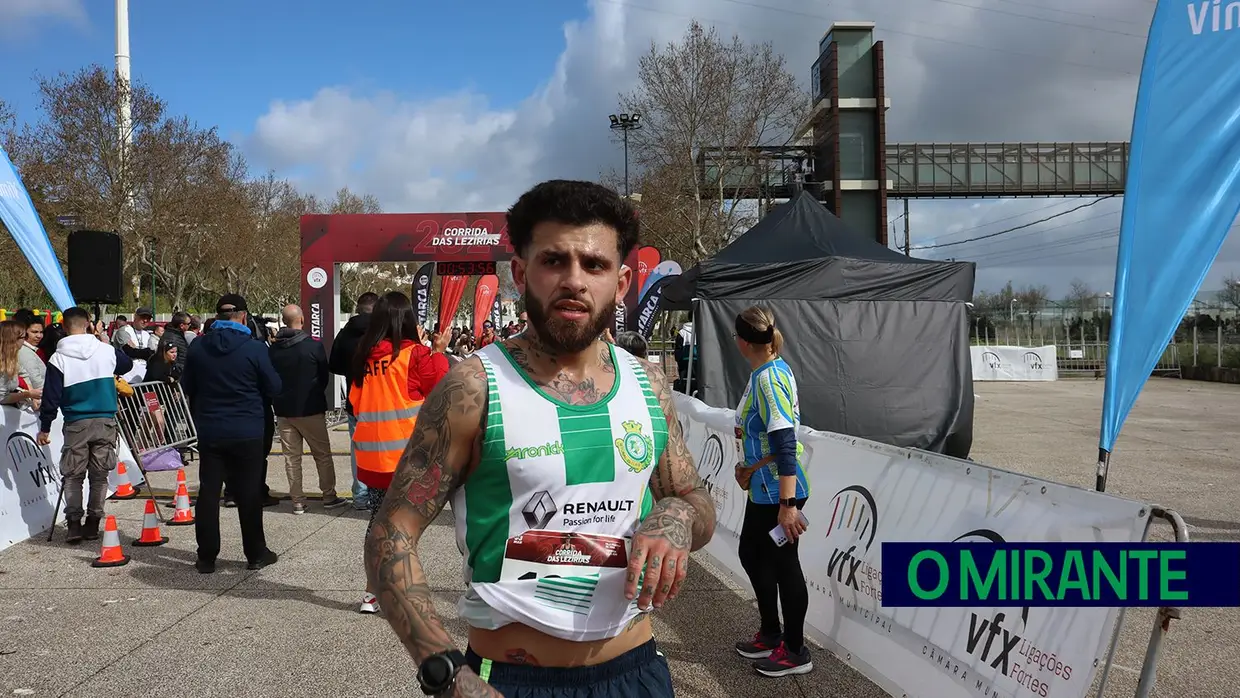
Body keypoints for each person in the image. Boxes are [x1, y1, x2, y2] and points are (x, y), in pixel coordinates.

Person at [363, 180, 716, 698]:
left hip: (635, 673)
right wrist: (443, 670)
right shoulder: (474, 388)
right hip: (510, 682)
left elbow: (695, 497)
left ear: (619, 285)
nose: (574, 280)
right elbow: (390, 531)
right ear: (522, 273)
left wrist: (680, 515)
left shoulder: (650, 384)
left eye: (593, 265)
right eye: (555, 261)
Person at [350, 291, 450, 613]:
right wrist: (436, 350)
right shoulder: (414, 356)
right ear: (408, 320)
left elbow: (355, 403)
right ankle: (395, 589)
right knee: (403, 527)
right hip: (407, 459)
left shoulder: (363, 358)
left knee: (379, 521)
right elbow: (442, 387)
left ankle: (372, 591)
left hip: (371, 458)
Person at [729, 305, 813, 678]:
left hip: (779, 495)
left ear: (743, 342)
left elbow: (785, 442)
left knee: (784, 567)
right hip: (763, 491)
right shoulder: (766, 370)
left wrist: (788, 505)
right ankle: (770, 631)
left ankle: (795, 650)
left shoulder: (768, 379)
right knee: (751, 553)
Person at [182, 294, 282, 574]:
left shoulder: (199, 347)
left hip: (211, 428)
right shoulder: (255, 349)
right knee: (249, 492)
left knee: (209, 491)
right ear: (243, 317)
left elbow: (187, 384)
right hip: (247, 428)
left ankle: (206, 555)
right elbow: (274, 386)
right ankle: (255, 552)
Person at [36, 307, 134, 543]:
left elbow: (51, 396)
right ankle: (93, 523)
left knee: (73, 476)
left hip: (76, 421)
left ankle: (73, 525)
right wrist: (102, 338)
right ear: (88, 323)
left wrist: (45, 426)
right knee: (99, 476)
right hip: (105, 420)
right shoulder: (106, 350)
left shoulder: (58, 357)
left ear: (65, 326)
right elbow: (126, 365)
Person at [269, 304, 348, 515]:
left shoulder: (274, 348)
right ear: (302, 320)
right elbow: (324, 376)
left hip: (284, 410)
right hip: (310, 407)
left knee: (291, 458)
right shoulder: (313, 346)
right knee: (322, 455)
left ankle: (297, 500)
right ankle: (329, 496)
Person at [330, 291, 379, 511]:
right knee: (383, 449)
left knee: (357, 449)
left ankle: (360, 496)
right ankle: (379, 494)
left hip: (355, 400)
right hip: (381, 401)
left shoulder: (345, 334)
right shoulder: (382, 334)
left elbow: (333, 364)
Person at [0, 321, 41, 409]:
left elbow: (23, 373)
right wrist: (28, 394)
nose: (25, 340)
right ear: (13, 340)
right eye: (23, 337)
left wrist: (33, 396)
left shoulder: (11, 357)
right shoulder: (2, 362)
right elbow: (2, 397)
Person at [14, 311, 46, 389]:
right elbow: (36, 382)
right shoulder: (24, 352)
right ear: (24, 332)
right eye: (34, 332)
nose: (39, 336)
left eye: (41, 332)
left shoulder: (30, 349)